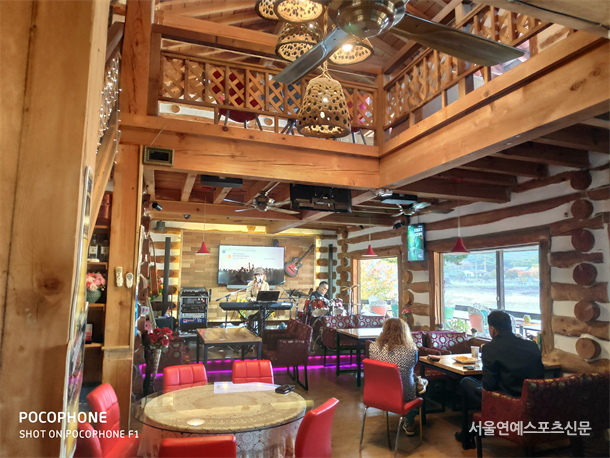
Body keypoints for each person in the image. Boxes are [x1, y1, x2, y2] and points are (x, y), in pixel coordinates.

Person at [456, 310, 545, 446]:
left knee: (466, 382)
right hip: (533, 400)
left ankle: (468, 434)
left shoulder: (490, 348)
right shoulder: (532, 345)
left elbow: (489, 386)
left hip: (506, 400)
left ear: (492, 329)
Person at [369, 318, 419, 436]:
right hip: (403, 392)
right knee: (416, 384)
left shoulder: (373, 347)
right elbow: (411, 368)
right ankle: (409, 422)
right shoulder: (411, 350)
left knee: (413, 379)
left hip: (378, 392)